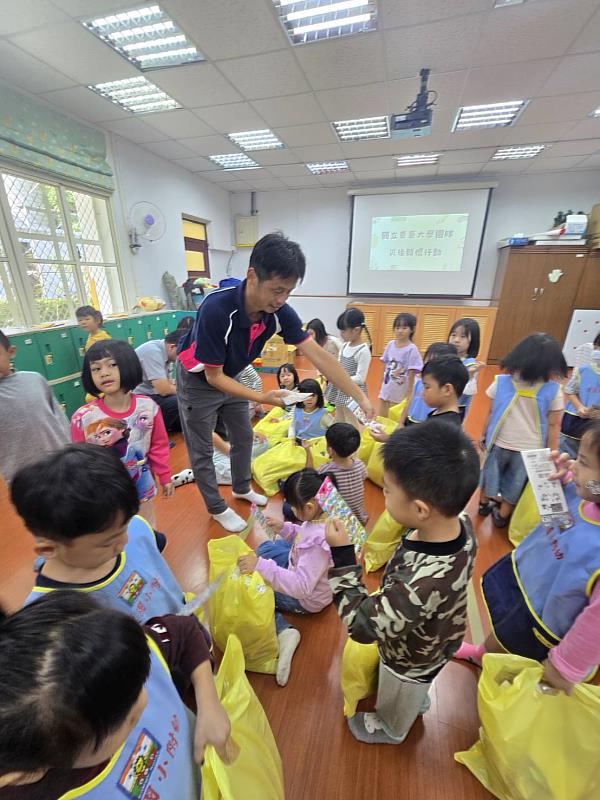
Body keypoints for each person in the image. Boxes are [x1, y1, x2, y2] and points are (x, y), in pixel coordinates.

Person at [176, 232, 373, 533]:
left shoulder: (279, 311)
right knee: (202, 448)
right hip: (199, 378)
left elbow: (318, 356)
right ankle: (216, 506)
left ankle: (241, 488)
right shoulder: (217, 309)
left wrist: (359, 396)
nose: (281, 300)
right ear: (252, 275)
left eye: (288, 292)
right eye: (277, 290)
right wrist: (264, 397)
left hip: (234, 372)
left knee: (242, 435)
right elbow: (214, 376)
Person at [324, 421, 480, 744]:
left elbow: (362, 625)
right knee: (415, 685)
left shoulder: (418, 588)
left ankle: (393, 726)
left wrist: (342, 557)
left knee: (399, 690)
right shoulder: (461, 523)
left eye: (388, 489)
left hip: (409, 656)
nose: (383, 493)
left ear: (421, 509)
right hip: (441, 636)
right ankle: (413, 697)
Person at [0, 591, 230, 799]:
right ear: (21, 775)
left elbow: (184, 630)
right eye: (126, 720)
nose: (144, 699)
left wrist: (208, 702)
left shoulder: (107, 664)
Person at [455, 424, 600, 694]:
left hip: (547, 623)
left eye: (583, 462)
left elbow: (596, 625)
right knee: (505, 628)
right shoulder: (588, 495)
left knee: (521, 674)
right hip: (528, 585)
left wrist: (565, 666)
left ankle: (500, 697)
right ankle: (483, 654)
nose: (575, 466)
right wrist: (562, 479)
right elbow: (558, 517)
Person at [12, 445, 188, 622]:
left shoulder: (135, 528)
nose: (124, 541)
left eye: (124, 527)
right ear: (49, 549)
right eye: (106, 543)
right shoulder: (50, 618)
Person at [237, 468, 336, 686]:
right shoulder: (326, 512)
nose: (290, 509)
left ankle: (285, 632)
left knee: (250, 591)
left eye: (293, 506)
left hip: (305, 598)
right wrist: (285, 528)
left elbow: (301, 587)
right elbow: (303, 533)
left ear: (309, 507)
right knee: (265, 547)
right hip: (301, 565)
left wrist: (261, 567)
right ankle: (265, 562)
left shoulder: (316, 546)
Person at [71, 340, 173, 528]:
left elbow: (158, 445)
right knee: (112, 531)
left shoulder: (148, 407)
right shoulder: (83, 417)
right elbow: (79, 461)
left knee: (145, 526)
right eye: (96, 369)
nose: (104, 373)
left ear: (128, 365)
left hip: (141, 484)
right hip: (104, 492)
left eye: (112, 365)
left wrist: (164, 475)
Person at [479, 332, 566, 528]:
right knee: (515, 482)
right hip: (530, 450)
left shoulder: (500, 382)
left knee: (489, 475)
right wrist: (552, 454)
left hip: (499, 441)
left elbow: (491, 412)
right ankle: (502, 515)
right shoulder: (553, 391)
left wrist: (483, 435)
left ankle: (483, 504)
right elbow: (554, 425)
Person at [0, 329, 70, 486]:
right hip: (21, 484)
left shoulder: (34, 379)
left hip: (63, 468)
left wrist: (72, 453)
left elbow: (60, 419)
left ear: (10, 352)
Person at [305, 422, 367, 524]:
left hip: (338, 525)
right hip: (359, 520)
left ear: (330, 450)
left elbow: (308, 477)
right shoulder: (360, 465)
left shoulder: (325, 470)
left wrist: (307, 449)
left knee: (288, 508)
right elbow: (364, 477)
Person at [325, 308, 372, 428]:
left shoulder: (363, 350)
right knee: (340, 418)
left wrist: (342, 379)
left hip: (353, 391)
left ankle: (354, 445)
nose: (341, 334)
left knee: (352, 422)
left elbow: (361, 378)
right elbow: (339, 365)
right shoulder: (345, 345)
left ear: (356, 330)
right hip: (341, 388)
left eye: (343, 331)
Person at [134, 330, 184, 433]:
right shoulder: (152, 352)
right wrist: (186, 392)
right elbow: (164, 390)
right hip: (139, 397)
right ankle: (156, 434)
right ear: (172, 347)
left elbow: (168, 384)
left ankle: (171, 427)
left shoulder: (165, 354)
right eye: (182, 352)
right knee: (178, 401)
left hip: (151, 394)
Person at [560, 331, 600, 458]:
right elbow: (570, 390)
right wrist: (579, 407)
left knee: (589, 456)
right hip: (574, 420)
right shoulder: (584, 370)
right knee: (565, 453)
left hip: (596, 424)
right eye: (598, 347)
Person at [378, 312, 423, 418]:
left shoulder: (412, 349)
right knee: (382, 419)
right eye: (397, 327)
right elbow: (385, 365)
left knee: (394, 420)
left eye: (404, 328)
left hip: (400, 393)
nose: (400, 331)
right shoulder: (390, 345)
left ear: (412, 329)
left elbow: (412, 373)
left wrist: (409, 395)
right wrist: (381, 385)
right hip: (386, 390)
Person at [420, 354, 468, 426]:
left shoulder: (445, 427)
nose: (422, 393)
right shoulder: (438, 414)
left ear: (447, 390)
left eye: (427, 387)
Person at [448, 317, 481, 418]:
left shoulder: (470, 364)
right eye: (453, 335)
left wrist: (470, 376)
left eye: (463, 336)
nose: (456, 340)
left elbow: (469, 391)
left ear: (472, 341)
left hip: (456, 408)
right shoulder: (446, 357)